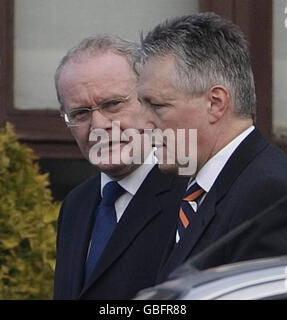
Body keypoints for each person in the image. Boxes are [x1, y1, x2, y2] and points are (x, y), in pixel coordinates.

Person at [136, 12, 287, 283]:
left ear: (216, 103)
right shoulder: (201, 186)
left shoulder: (270, 197)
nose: (142, 124)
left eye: (157, 106)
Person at [52, 35, 187, 299]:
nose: (99, 125)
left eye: (113, 104)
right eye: (80, 113)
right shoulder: (76, 205)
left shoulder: (192, 195)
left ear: (149, 100)